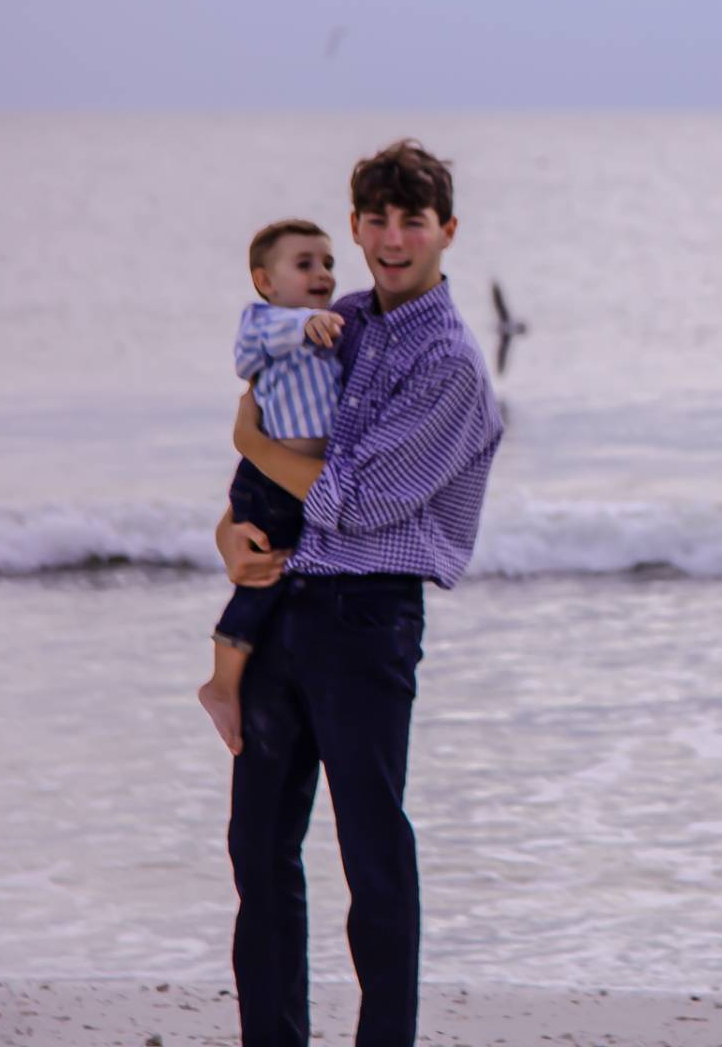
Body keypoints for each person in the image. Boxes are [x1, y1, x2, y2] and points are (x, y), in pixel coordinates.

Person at [214, 139, 504, 1047]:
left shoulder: (451, 363)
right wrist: (229, 533)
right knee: (259, 852)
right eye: (374, 219)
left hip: (369, 617)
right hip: (286, 601)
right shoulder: (340, 319)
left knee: (372, 853)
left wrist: (251, 443)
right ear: (354, 226)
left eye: (410, 220)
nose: (390, 237)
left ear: (445, 231)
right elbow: (280, 446)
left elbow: (363, 499)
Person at [198, 219, 345, 755]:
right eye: (304, 264)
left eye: (328, 263)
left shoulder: (331, 325)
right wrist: (305, 326)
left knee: (280, 578)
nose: (321, 273)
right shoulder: (266, 324)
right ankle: (221, 682)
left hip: (294, 482)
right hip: (267, 479)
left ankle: (242, 674)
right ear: (264, 281)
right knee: (262, 577)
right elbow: (248, 354)